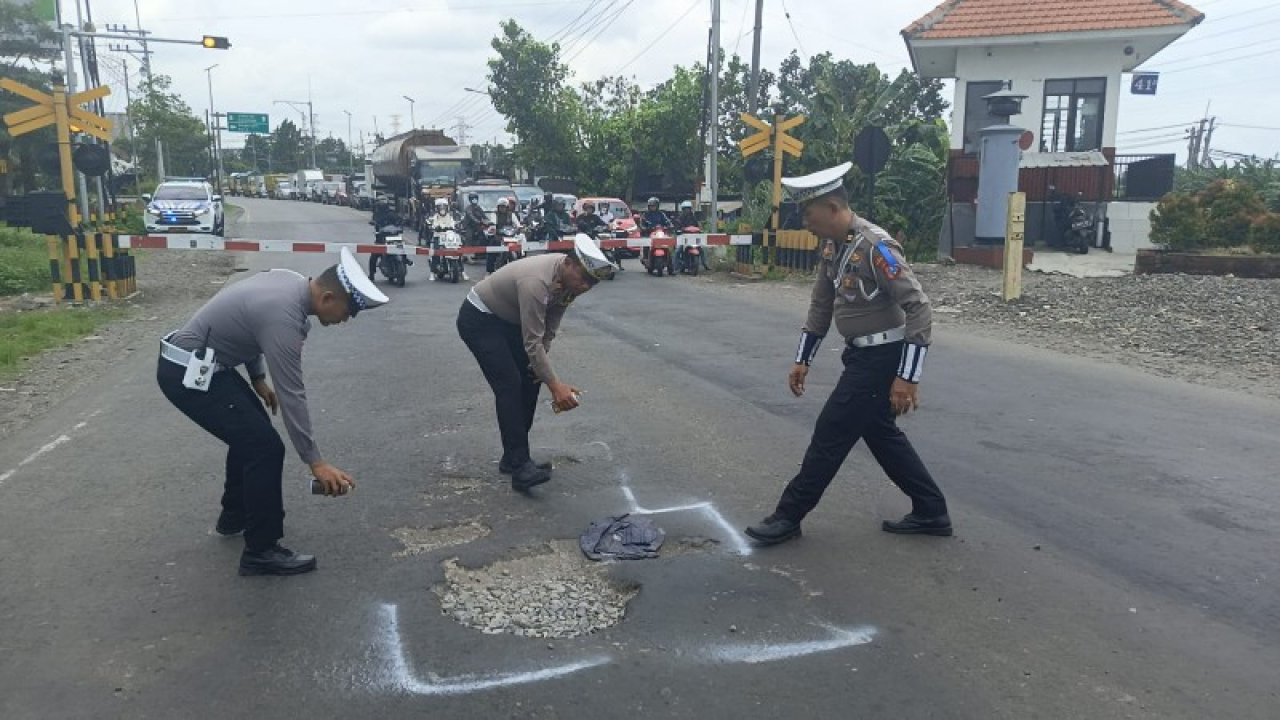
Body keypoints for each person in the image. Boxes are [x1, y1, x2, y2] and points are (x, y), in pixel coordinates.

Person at [744, 162, 951, 545]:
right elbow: (821, 306)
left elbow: (919, 307)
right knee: (880, 434)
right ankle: (931, 509)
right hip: (859, 357)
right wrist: (802, 359)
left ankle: (788, 516)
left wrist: (907, 377)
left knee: (831, 432)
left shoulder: (874, 247)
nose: (804, 221)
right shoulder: (832, 248)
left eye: (808, 213)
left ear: (834, 208)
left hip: (881, 358)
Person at [157, 248, 389, 576]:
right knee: (264, 447)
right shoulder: (285, 319)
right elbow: (293, 395)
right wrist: (316, 462)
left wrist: (257, 378)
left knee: (253, 432)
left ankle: (234, 516)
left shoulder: (289, 282)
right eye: (348, 311)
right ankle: (261, 550)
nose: (346, 320)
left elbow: (248, 326)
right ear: (326, 297)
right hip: (188, 376)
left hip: (204, 368)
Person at [456, 234, 614, 491]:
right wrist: (555, 386)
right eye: (584, 279)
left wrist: (540, 369)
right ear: (569, 264)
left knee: (530, 380)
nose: (585, 287)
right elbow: (532, 341)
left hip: (509, 322)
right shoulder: (536, 281)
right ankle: (520, 466)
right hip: (480, 320)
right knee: (509, 385)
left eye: (592, 284)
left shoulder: (568, 283)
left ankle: (514, 457)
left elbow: (549, 327)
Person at [369, 199, 402, 279]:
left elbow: (399, 220)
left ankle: (405, 260)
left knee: (402, 250)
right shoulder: (377, 215)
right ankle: (372, 274)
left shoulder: (392, 214)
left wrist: (400, 224)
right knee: (374, 256)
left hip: (393, 239)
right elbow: (373, 222)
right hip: (381, 238)